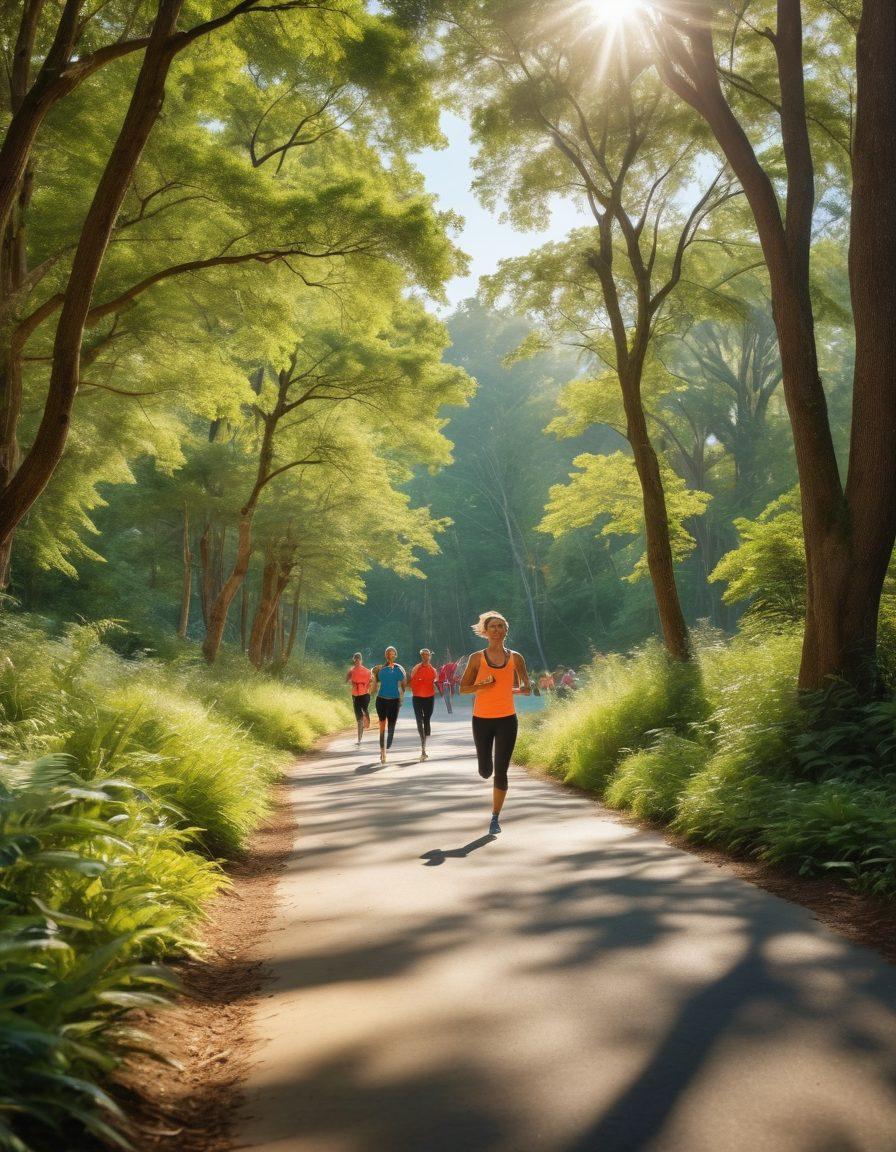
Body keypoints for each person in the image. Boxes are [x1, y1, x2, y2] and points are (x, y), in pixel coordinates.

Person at [460, 611, 531, 836]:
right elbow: (464, 688)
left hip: (507, 719)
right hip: (481, 719)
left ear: (506, 630)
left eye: (501, 626)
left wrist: (520, 689)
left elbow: (525, 687)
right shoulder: (476, 658)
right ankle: (485, 769)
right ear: (485, 631)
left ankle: (495, 816)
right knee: (485, 770)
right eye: (493, 626)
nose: (497, 630)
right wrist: (482, 685)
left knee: (501, 771)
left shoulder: (516, 658)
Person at [372, 646, 406, 765]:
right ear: (385, 655)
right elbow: (374, 686)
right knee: (382, 726)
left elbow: (402, 682)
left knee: (391, 726)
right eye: (387, 653)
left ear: (395, 655)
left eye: (391, 654)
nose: (389, 655)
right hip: (381, 700)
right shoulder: (379, 669)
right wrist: (371, 690)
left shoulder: (398, 669)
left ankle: (387, 744)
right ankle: (382, 751)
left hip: (394, 700)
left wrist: (401, 697)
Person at [409, 648, 438, 761]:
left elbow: (436, 683)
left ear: (430, 656)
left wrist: (437, 686)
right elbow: (411, 681)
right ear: (421, 656)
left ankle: (424, 744)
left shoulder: (433, 670)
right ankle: (423, 748)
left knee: (426, 720)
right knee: (419, 721)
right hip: (417, 698)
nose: (425, 657)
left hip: (429, 698)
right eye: (423, 655)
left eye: (427, 655)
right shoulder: (416, 668)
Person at [345, 652, 372, 746]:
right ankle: (359, 739)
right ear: (354, 660)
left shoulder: (367, 671)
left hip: (365, 694)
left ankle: (367, 716)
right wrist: (348, 681)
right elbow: (346, 680)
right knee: (359, 718)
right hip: (355, 695)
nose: (357, 660)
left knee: (364, 710)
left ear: (361, 660)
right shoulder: (351, 671)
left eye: (358, 659)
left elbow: (371, 683)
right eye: (355, 659)